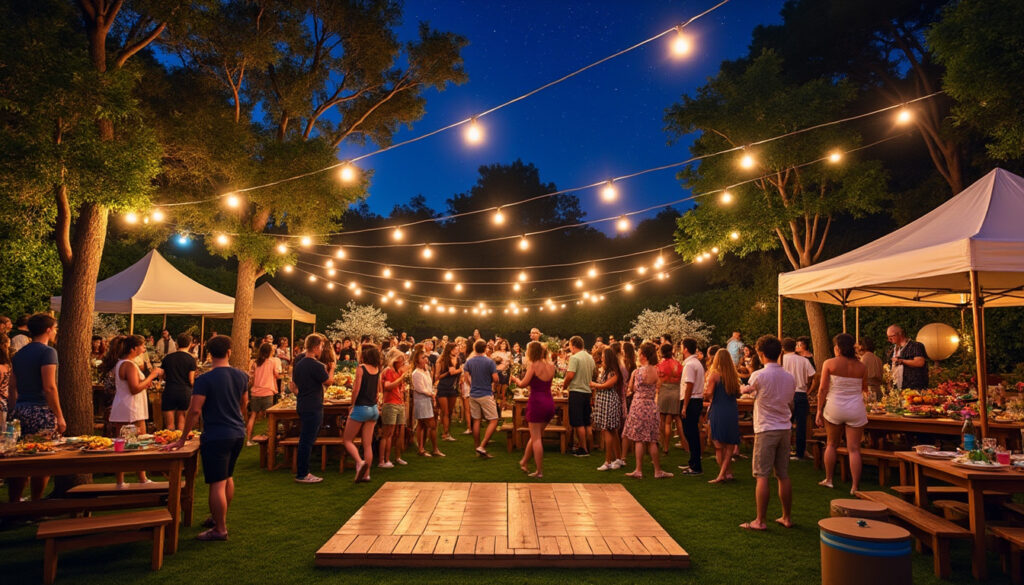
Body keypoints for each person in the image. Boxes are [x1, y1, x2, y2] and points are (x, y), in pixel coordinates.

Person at [165, 334, 248, 541]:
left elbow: (194, 410)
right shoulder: (241, 376)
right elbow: (244, 403)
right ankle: (218, 517)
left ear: (209, 354)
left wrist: (182, 438)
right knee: (227, 476)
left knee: (217, 483)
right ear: (229, 352)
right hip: (237, 433)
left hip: (217, 435)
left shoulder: (204, 380)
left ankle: (220, 528)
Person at [740, 335, 795, 531]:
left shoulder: (759, 375)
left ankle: (760, 520)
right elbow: (789, 401)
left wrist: (742, 388)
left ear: (761, 353)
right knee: (783, 475)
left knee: (762, 475)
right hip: (784, 428)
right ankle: (786, 517)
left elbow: (749, 391)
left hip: (766, 428)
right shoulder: (789, 377)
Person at [817, 333, 869, 493]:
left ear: (838, 348)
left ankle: (829, 479)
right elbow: (864, 389)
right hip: (855, 408)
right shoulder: (862, 366)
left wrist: (819, 410)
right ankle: (855, 486)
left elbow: (822, 389)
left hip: (834, 407)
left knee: (831, 444)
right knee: (854, 449)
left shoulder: (829, 363)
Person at [110, 334, 163, 485]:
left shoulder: (121, 363)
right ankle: (141, 478)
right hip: (131, 409)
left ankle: (122, 481)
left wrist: (145, 382)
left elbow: (134, 385)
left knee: (122, 445)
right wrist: (152, 376)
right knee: (137, 443)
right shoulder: (129, 365)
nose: (144, 348)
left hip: (123, 406)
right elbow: (134, 389)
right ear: (133, 348)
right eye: (142, 345)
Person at [622, 342, 672, 479]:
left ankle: (638, 470)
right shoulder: (656, 371)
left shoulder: (637, 372)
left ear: (643, 355)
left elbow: (631, 388)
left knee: (638, 439)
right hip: (650, 406)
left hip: (638, 406)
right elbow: (658, 387)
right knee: (652, 439)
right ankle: (657, 470)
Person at [290, 334, 335, 484]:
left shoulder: (299, 364)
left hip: (302, 403)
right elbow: (328, 381)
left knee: (305, 439)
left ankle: (303, 471)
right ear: (315, 347)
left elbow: (295, 385)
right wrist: (332, 369)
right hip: (313, 405)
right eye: (321, 346)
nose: (322, 349)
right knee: (307, 440)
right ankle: (303, 473)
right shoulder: (316, 365)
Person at [512, 340, 556, 478]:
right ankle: (524, 461)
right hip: (549, 402)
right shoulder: (551, 365)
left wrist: (514, 379)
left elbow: (523, 384)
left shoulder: (533, 365)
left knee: (536, 438)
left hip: (537, 402)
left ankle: (539, 471)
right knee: (536, 435)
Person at [344, 344, 382, 482]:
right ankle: (367, 474)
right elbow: (378, 391)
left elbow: (356, 389)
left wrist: (352, 405)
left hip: (361, 408)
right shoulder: (377, 369)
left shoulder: (361, 368)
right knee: (367, 444)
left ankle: (359, 462)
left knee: (347, 440)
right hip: (373, 409)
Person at [706, 349, 741, 484]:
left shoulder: (715, 375)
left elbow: (709, 393)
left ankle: (722, 474)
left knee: (719, 445)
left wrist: (704, 394)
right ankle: (728, 472)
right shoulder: (733, 376)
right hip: (731, 410)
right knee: (729, 444)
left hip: (719, 409)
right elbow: (738, 393)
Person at [463, 338, 499, 458]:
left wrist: (472, 385)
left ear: (474, 348)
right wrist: (492, 382)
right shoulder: (489, 362)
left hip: (473, 394)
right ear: (485, 348)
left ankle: (477, 447)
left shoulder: (469, 362)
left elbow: (466, 378)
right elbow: (496, 378)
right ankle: (482, 446)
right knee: (494, 420)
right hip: (485, 393)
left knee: (476, 420)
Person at [781, 338, 815, 461]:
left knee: (784, 423)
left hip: (786, 393)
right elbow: (813, 375)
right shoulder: (803, 360)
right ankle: (800, 452)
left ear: (783, 348)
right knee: (801, 425)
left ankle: (784, 451)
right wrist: (807, 387)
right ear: (794, 347)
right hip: (801, 393)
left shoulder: (781, 360)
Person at [590, 346, 623, 471]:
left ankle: (608, 461)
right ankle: (618, 458)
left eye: (603, 357)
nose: (601, 359)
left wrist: (594, 384)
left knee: (607, 430)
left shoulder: (613, 371)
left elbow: (607, 385)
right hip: (604, 401)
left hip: (608, 402)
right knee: (612, 430)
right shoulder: (606, 370)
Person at [563, 335, 596, 457]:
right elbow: (593, 373)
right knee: (586, 421)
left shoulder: (575, 358)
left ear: (573, 345)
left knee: (578, 422)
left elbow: (570, 375)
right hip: (587, 392)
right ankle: (589, 446)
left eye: (570, 345)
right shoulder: (590, 357)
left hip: (576, 391)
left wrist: (564, 385)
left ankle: (583, 448)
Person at [678, 337, 706, 476]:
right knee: (691, 432)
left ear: (685, 349)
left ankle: (695, 465)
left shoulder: (690, 365)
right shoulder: (696, 363)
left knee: (691, 433)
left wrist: (684, 406)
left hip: (691, 400)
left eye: (681, 346)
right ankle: (693, 462)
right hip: (696, 399)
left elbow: (689, 385)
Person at [410, 344, 443, 457]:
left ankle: (421, 448)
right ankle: (434, 449)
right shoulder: (416, 373)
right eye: (422, 357)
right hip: (422, 402)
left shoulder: (426, 371)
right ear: (417, 361)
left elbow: (428, 386)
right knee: (431, 425)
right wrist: (432, 394)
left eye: (425, 357)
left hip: (427, 400)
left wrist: (433, 392)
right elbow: (420, 389)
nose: (425, 359)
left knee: (422, 425)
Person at [379, 349, 409, 468]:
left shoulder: (397, 371)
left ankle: (395, 457)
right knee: (387, 433)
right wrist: (401, 379)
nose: (403, 361)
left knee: (396, 432)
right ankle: (383, 460)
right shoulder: (388, 370)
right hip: (390, 403)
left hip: (399, 403)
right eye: (401, 359)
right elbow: (387, 386)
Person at [161, 333, 198, 431]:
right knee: (181, 423)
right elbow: (191, 380)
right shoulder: (191, 359)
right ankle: (181, 440)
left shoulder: (168, 358)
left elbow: (163, 376)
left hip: (170, 390)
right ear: (190, 344)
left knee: (169, 425)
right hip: (184, 392)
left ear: (176, 343)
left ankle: (169, 439)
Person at [246, 342, 280, 445]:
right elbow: (277, 375)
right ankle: (270, 439)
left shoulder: (255, 363)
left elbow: (251, 377)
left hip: (256, 392)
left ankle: (248, 440)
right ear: (270, 352)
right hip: (267, 391)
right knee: (270, 417)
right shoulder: (272, 362)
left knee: (253, 415)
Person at [656, 343, 684, 456]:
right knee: (670, 421)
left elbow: (658, 381)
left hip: (664, 391)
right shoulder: (678, 364)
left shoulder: (660, 365)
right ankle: (668, 446)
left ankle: (663, 444)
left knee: (662, 421)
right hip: (676, 391)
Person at [434, 342, 462, 441]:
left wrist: (457, 372)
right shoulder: (441, 360)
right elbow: (437, 377)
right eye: (455, 349)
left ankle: (446, 431)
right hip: (443, 387)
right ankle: (445, 434)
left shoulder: (458, 359)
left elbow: (458, 373)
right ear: (449, 350)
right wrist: (448, 373)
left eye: (457, 349)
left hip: (453, 388)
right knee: (445, 411)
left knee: (449, 412)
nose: (457, 351)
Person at [887, 325, 928, 390]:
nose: (889, 339)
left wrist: (902, 361)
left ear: (900, 334)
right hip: (897, 388)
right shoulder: (892, 350)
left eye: (891, 336)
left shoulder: (916, 346)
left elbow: (920, 362)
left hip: (914, 388)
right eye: (888, 337)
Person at [492, 339, 511, 411]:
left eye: (504, 344)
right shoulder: (495, 353)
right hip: (497, 373)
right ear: (499, 345)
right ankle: (496, 409)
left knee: (504, 393)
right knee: (497, 393)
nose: (503, 345)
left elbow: (511, 364)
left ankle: (501, 409)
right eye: (502, 344)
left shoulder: (508, 353)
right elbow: (492, 362)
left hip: (506, 373)